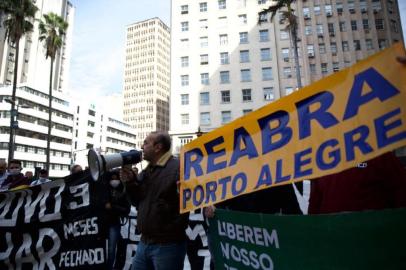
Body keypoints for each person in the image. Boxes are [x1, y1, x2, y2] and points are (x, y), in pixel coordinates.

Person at [120, 131, 189, 270]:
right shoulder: (147, 171)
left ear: (158, 147)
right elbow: (137, 201)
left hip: (168, 246)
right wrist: (131, 182)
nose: (142, 146)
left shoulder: (179, 168)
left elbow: (187, 201)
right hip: (144, 242)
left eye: (146, 143)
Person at [308, 152, 406, 214]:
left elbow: (401, 190)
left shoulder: (380, 154)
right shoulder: (323, 159)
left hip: (373, 237)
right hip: (330, 236)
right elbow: (315, 201)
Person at [105, 169, 130, 270]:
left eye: (116, 178)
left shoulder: (123, 191)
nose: (114, 181)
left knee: (111, 250)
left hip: (114, 223)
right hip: (101, 223)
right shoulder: (103, 191)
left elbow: (126, 209)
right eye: (112, 179)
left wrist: (112, 207)